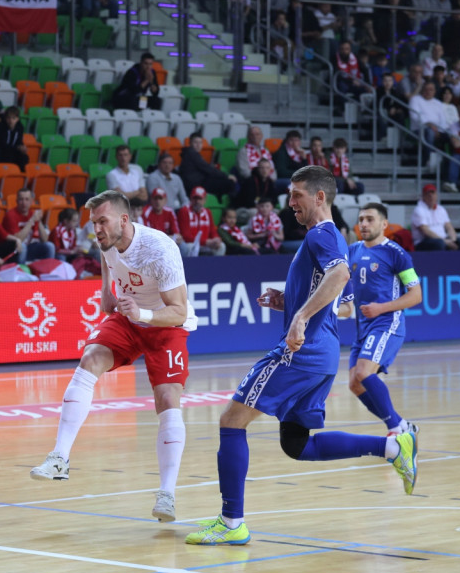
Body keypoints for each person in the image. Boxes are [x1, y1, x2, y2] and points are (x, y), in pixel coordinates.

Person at [185, 166, 418, 546]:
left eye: (296, 195)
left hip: (302, 352)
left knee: (231, 419)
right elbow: (334, 295)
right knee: (297, 445)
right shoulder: (332, 237)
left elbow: (340, 276)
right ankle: (393, 446)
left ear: (320, 197)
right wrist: (288, 301)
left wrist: (299, 316)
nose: (289, 202)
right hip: (321, 354)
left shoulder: (322, 234)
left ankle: (231, 522)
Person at [30, 190, 195, 523]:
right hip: (129, 316)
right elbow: (109, 301)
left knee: (167, 398)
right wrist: (110, 296)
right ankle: (60, 458)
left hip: (164, 322)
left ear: (124, 219)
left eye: (102, 221)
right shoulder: (106, 245)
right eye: (93, 223)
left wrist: (143, 315)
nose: (97, 229)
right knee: (90, 358)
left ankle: (167, 494)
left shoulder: (160, 249)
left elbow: (177, 311)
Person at [343, 203, 422, 437]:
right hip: (362, 328)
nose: (364, 224)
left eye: (369, 219)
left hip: (387, 323)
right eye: (361, 219)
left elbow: (416, 295)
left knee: (364, 373)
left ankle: (395, 429)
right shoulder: (352, 251)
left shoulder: (396, 254)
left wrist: (381, 308)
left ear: (384, 224)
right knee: (354, 384)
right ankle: (403, 425)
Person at [411, 184, 460, 251]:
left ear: (436, 195)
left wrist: (453, 240)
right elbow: (426, 231)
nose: (431, 196)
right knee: (439, 244)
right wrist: (445, 241)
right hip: (424, 241)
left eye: (433, 194)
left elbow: (449, 227)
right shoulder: (419, 210)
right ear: (423, 196)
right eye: (428, 194)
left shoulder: (441, 209)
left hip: (443, 239)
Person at [3, 188, 54, 261]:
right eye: (21, 199)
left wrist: (39, 221)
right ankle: (21, 270)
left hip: (30, 247)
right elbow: (18, 239)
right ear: (16, 201)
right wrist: (31, 221)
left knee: (50, 246)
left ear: (31, 201)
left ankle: (49, 269)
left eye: (27, 199)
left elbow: (45, 240)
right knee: (22, 246)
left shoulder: (32, 214)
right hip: (14, 249)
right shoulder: (10, 215)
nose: (24, 203)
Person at [179, 134, 236, 199]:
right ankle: (232, 205)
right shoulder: (192, 153)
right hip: (196, 184)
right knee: (229, 183)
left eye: (200, 142)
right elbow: (207, 169)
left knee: (221, 180)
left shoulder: (190, 153)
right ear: (190, 143)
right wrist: (226, 176)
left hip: (200, 181)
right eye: (195, 142)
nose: (198, 145)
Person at [177, 186, 225, 256]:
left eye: (200, 198)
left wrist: (216, 239)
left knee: (221, 246)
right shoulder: (184, 211)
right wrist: (206, 242)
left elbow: (212, 231)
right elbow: (186, 236)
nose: (197, 201)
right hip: (191, 243)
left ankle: (217, 266)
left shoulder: (207, 212)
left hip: (206, 244)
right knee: (190, 247)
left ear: (205, 200)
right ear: (191, 199)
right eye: (195, 198)